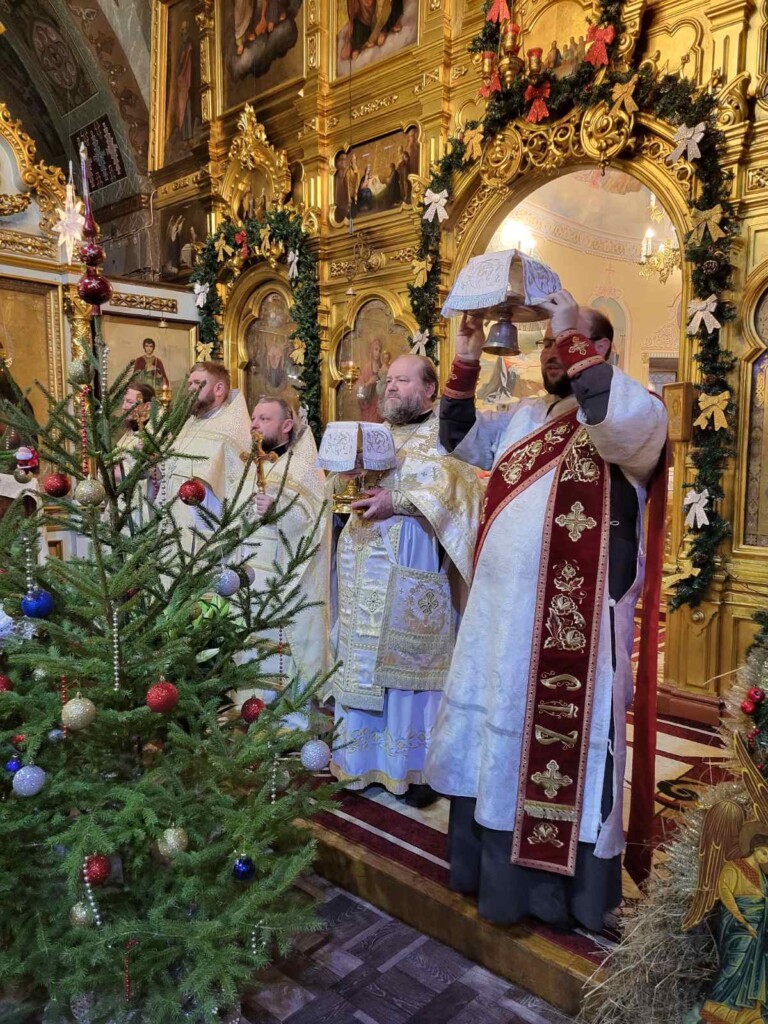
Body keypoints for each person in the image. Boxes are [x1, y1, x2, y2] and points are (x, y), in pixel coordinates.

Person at [425, 290, 668, 931]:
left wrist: (570, 333)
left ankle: (564, 897)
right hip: (501, 624)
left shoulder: (636, 410)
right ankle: (488, 874)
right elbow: (461, 440)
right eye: (551, 341)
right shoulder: (527, 413)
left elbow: (618, 428)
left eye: (569, 338)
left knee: (567, 751)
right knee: (496, 743)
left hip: (573, 636)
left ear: (599, 347)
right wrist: (466, 360)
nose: (553, 352)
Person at [329, 354, 482, 807]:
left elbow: (460, 496)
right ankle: (357, 760)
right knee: (359, 661)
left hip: (412, 572)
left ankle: (410, 769)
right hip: (363, 567)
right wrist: (346, 478)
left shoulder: (446, 437)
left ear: (429, 390)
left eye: (402, 380)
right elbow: (338, 490)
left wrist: (397, 501)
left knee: (408, 669)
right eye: (389, 380)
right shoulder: (375, 436)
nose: (391, 386)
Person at [237, 398, 331, 715]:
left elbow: (314, 520)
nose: (254, 424)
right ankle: (252, 716)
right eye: (254, 418)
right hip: (252, 579)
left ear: (287, 425)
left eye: (264, 418)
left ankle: (289, 724)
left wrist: (278, 510)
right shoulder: (253, 464)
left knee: (283, 654)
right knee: (253, 650)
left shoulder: (302, 466)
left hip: (286, 580)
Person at [163, 362, 252, 551]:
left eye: (197, 383)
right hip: (173, 520)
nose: (190, 389)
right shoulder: (190, 423)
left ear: (219, 389)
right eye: (189, 384)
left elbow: (236, 483)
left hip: (205, 524)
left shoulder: (231, 428)